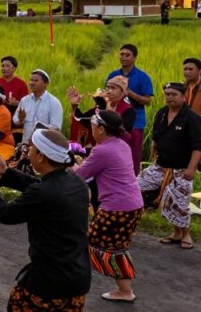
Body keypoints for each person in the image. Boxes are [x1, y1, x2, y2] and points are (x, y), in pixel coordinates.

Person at [0, 129, 92, 311]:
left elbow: (5, 214)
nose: (28, 153)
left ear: (41, 156)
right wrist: (7, 173)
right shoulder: (76, 182)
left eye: (32, 149)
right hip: (77, 279)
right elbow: (40, 187)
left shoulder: (44, 192)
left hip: (48, 283)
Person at [73, 110, 144, 303]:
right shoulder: (121, 144)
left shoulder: (102, 150)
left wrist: (71, 165)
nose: (91, 130)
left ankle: (72, 283)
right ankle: (125, 290)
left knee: (88, 243)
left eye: (93, 126)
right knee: (117, 247)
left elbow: (80, 176)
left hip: (117, 207)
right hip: (133, 204)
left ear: (102, 129)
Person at [136, 82, 201, 250]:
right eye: (167, 94)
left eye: (174, 94)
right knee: (135, 185)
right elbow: (156, 137)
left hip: (181, 168)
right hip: (160, 165)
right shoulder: (162, 113)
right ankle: (131, 222)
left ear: (183, 96)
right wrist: (153, 152)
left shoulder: (192, 118)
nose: (170, 97)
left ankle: (184, 234)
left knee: (180, 203)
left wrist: (192, 168)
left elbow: (197, 146)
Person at [106, 44, 153, 174]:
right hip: (114, 119)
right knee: (113, 154)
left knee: (133, 155)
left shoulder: (143, 77)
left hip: (136, 122)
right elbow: (107, 95)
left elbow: (148, 100)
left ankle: (133, 183)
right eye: (122, 54)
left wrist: (128, 92)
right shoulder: (113, 75)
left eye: (127, 55)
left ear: (135, 57)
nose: (124, 57)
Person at [68, 76, 134, 148]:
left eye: (113, 88)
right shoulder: (101, 107)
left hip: (116, 150)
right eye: (107, 87)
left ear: (122, 92)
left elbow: (121, 132)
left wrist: (109, 112)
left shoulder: (128, 111)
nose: (109, 91)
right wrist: (74, 105)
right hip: (97, 149)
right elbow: (83, 121)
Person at [0, 56, 29, 130]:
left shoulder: (21, 84)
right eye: (2, 66)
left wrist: (16, 103)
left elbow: (26, 104)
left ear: (14, 68)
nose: (4, 68)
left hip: (15, 121)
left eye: (7, 66)